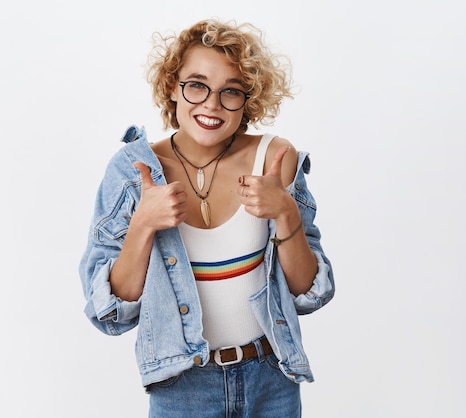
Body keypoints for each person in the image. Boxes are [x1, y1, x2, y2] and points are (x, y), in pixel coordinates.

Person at [79, 18, 334, 418]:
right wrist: (143, 225)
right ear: (172, 87)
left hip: (272, 379)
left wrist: (286, 214)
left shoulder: (275, 159)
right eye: (196, 85)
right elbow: (111, 314)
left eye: (230, 91)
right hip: (183, 387)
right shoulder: (133, 170)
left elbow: (310, 294)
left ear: (247, 100)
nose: (211, 105)